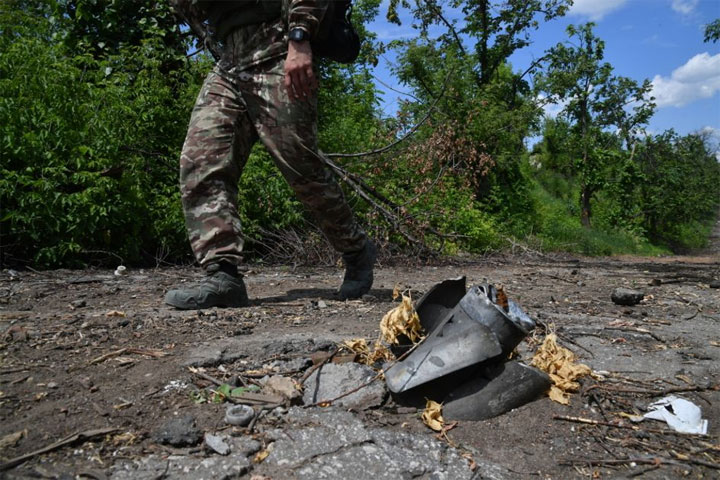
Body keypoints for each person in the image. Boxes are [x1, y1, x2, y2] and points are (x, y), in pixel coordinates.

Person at [164, 0, 375, 310]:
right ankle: (223, 275)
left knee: (300, 166)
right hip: (229, 59)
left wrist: (299, 38)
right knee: (201, 160)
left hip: (277, 46)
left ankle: (356, 250)